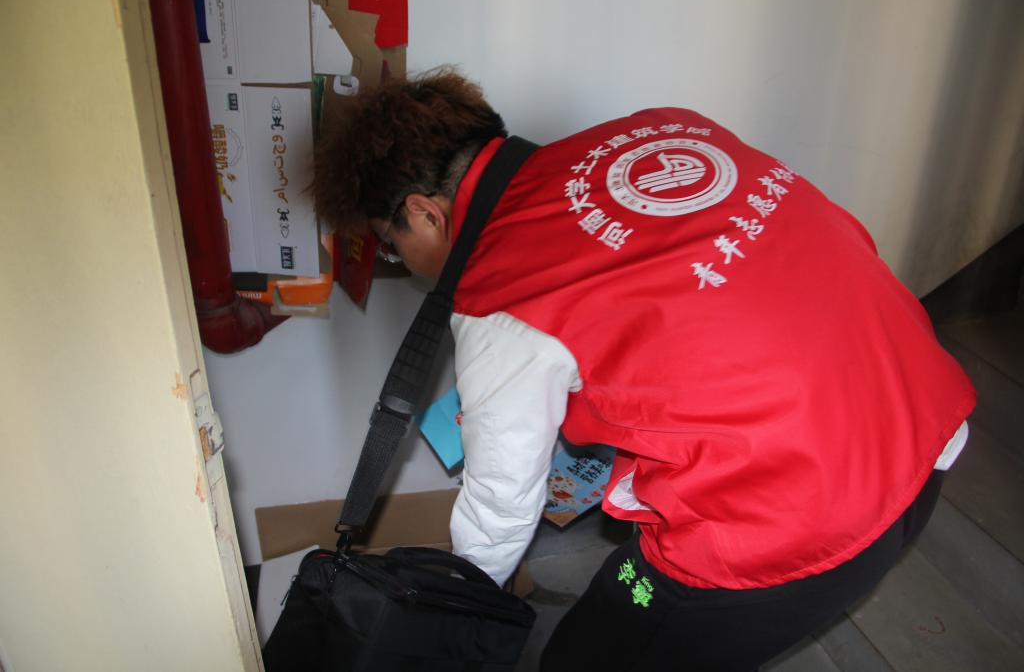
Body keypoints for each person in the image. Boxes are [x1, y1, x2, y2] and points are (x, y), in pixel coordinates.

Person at [313, 68, 975, 671]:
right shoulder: (662, 129)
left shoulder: (502, 299)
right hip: (923, 426)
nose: (403, 261)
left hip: (799, 522)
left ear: (425, 213)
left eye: (393, 246)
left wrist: (449, 620)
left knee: (583, 659)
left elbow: (498, 511)